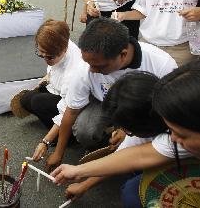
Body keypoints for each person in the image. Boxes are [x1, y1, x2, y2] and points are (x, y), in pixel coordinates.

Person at [51, 60, 200, 208]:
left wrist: (79, 172)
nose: (173, 138)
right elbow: (135, 156)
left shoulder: (174, 124)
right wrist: (80, 176)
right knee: (132, 189)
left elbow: (142, 155)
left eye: (182, 135)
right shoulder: (170, 120)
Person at [45, 18, 177, 170]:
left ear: (123, 54)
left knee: (143, 143)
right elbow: (71, 110)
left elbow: (166, 114)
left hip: (143, 110)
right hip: (102, 101)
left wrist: (128, 132)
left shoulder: (162, 64)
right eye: (88, 63)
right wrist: (58, 153)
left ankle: (129, 152)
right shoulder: (86, 66)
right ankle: (105, 145)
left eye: (98, 66)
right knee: (84, 130)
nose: (92, 70)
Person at [63, 72, 168, 202]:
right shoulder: (153, 111)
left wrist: (79, 171)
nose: (125, 133)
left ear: (147, 124)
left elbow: (139, 156)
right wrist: (84, 184)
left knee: (132, 194)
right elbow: (120, 159)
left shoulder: (179, 136)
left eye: (128, 130)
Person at [16, 20, 83, 160]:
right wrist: (47, 76)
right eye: (41, 55)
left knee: (37, 101)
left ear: (64, 49)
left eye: (50, 57)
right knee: (26, 99)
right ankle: (53, 126)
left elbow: (67, 112)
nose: (45, 60)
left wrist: (45, 141)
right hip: (57, 89)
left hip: (73, 106)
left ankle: (67, 137)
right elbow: (52, 67)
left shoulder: (74, 72)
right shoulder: (60, 39)